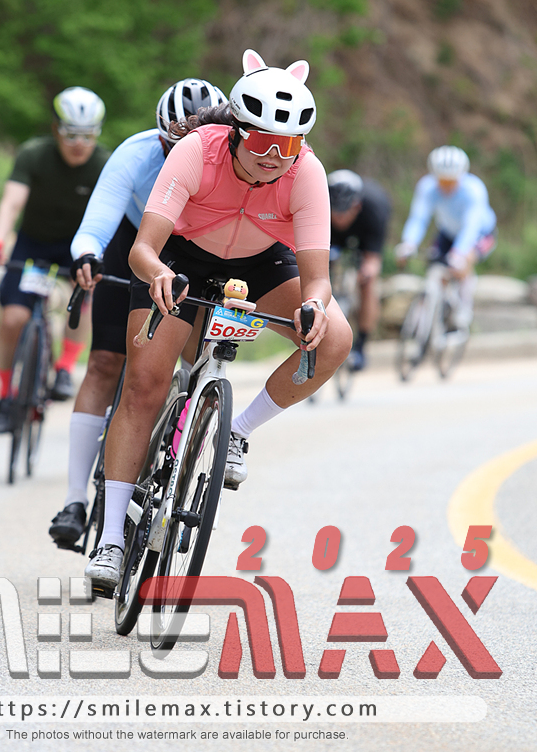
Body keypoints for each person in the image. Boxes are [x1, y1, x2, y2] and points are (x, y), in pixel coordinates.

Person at [83, 49, 353, 590]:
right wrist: (158, 275)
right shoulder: (196, 151)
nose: (275, 156)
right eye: (263, 141)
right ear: (237, 130)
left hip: (261, 260)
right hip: (180, 259)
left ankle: (236, 431)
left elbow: (318, 279)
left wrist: (314, 307)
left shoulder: (307, 172)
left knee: (335, 340)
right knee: (144, 385)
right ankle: (111, 539)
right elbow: (142, 250)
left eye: (289, 145)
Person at [47, 79, 228, 549]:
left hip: (198, 251)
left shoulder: (233, 159)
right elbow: (95, 224)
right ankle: (74, 499)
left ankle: (178, 456)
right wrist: (87, 255)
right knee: (106, 361)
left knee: (193, 364)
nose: (183, 156)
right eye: (172, 146)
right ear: (160, 137)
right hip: (137, 243)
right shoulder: (135, 154)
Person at [0, 87, 108, 433]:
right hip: (33, 244)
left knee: (86, 292)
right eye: (71, 134)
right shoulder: (33, 155)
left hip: (77, 245)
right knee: (13, 319)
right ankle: (6, 394)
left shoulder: (104, 164)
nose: (79, 144)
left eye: (88, 135)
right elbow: (11, 203)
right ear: (55, 129)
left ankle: (65, 367)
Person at [394, 145, 497, 337]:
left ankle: (463, 312)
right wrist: (409, 243)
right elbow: (419, 218)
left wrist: (459, 253)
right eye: (442, 180)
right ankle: (430, 313)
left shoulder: (474, 190)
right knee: (435, 268)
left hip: (480, 234)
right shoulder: (427, 187)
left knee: (462, 264)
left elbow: (471, 227)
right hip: (448, 232)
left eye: (452, 181)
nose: (447, 186)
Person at [327, 169, 391, 371]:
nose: (340, 218)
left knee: (367, 281)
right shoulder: (318, 204)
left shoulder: (374, 208)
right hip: (329, 236)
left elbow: (373, 261)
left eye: (345, 212)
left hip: (364, 235)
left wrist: (366, 272)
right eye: (335, 211)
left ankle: (362, 345)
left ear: (357, 206)